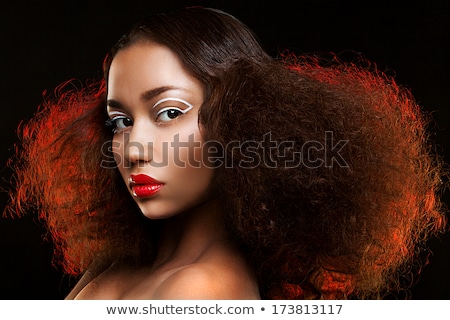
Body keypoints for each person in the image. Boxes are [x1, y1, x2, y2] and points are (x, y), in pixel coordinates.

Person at [3, 6, 447, 299]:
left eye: (169, 112)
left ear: (243, 120)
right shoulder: (121, 266)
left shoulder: (204, 287)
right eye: (120, 121)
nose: (133, 148)